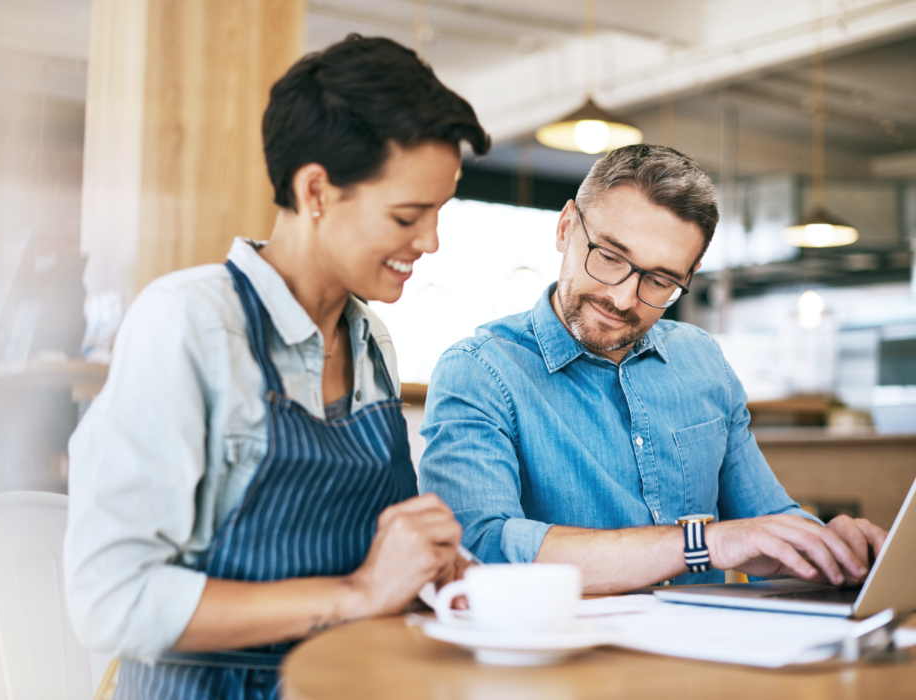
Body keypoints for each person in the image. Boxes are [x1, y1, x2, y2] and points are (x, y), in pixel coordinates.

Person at [64, 35, 489, 699]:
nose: (430, 241)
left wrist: (422, 572)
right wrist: (357, 591)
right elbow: (111, 600)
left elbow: (375, 564)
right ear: (316, 189)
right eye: (409, 215)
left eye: (439, 212)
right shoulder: (190, 324)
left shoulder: (371, 339)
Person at [418, 144, 887, 594]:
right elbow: (476, 553)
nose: (622, 299)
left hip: (706, 663)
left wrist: (833, 548)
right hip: (560, 665)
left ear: (689, 275)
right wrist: (703, 544)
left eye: (660, 280)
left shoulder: (702, 362)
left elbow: (766, 518)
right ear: (565, 228)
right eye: (609, 257)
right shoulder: (479, 372)